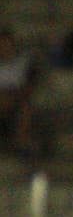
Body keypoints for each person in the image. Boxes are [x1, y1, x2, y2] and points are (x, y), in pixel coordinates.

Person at [0, 26, 37, 155]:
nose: (4, 47)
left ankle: (21, 142)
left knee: (26, 107)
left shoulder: (23, 62)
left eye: (6, 44)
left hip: (17, 96)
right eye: (1, 45)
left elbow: (29, 83)